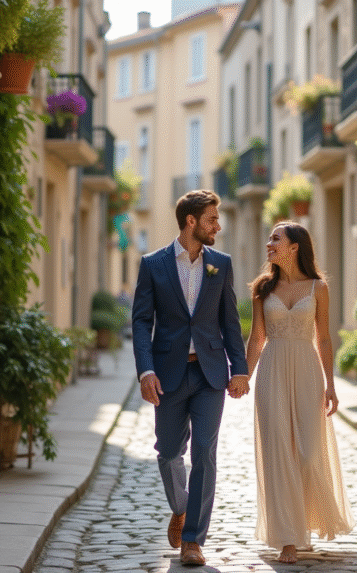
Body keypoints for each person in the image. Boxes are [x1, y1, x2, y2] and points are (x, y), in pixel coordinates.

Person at [132, 190, 249, 566]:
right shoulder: (153, 264)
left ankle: (193, 540)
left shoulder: (221, 263)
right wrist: (145, 370)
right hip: (167, 373)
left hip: (210, 373)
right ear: (191, 222)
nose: (218, 225)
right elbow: (141, 321)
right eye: (212, 219)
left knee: (205, 453)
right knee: (168, 452)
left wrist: (241, 368)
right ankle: (181, 508)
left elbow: (229, 321)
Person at [245, 221, 355, 564]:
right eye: (269, 238)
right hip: (272, 370)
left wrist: (331, 384)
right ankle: (288, 539)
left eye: (276, 238)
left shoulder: (318, 287)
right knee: (278, 452)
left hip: (307, 372)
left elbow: (323, 337)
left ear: (295, 246)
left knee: (308, 454)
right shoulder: (262, 289)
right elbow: (256, 339)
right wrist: (242, 378)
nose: (269, 243)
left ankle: (308, 520)